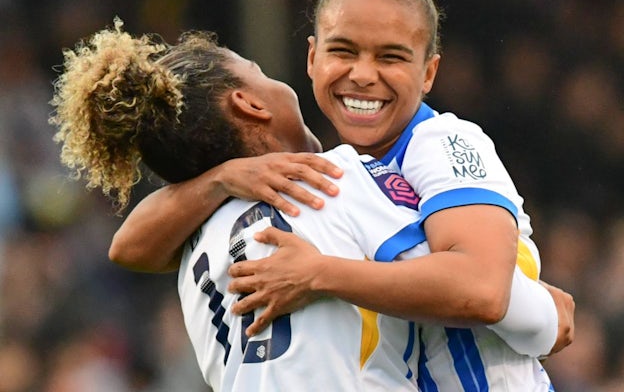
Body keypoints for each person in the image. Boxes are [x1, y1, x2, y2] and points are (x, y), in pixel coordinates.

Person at [106, 0, 574, 389]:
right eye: (343, 51)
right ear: (312, 58)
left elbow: (481, 289)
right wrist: (545, 313)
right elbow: (510, 303)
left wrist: (318, 272)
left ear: (429, 72)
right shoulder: (330, 183)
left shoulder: (444, 142)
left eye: (390, 57)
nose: (364, 75)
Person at [50, 21, 428, 390]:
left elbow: (125, 247)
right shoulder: (333, 181)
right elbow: (473, 288)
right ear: (248, 102)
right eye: (258, 71)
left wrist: (220, 178)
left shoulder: (192, 240)